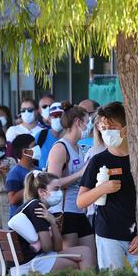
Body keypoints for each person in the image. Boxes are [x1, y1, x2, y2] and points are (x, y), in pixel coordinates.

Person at [77, 102, 138, 270]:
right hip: (108, 234)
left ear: (125, 129)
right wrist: (101, 189)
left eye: (112, 127)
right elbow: (81, 201)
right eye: (103, 128)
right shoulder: (98, 160)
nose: (107, 132)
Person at [11, 170, 95, 275]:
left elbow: (58, 248)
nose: (60, 192)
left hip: (30, 260)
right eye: (56, 189)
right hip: (29, 263)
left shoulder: (43, 209)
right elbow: (47, 247)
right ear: (41, 192)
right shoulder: (37, 207)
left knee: (85, 251)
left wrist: (53, 223)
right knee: (79, 264)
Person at [47, 103, 95, 254]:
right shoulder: (60, 148)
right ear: (77, 123)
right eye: (87, 123)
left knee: (90, 258)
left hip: (80, 211)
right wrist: (79, 174)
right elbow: (51, 184)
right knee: (73, 261)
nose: (89, 128)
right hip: (65, 211)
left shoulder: (80, 148)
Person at [6, 133, 38, 218]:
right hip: (20, 220)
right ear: (25, 151)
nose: (37, 148)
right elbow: (12, 199)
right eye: (34, 146)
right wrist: (33, 183)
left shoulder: (39, 170)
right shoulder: (15, 173)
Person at [36, 102, 64, 169]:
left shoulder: (71, 137)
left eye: (60, 116)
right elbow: (32, 158)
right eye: (55, 116)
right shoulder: (40, 136)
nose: (58, 119)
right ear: (49, 118)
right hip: (42, 176)